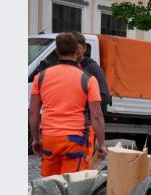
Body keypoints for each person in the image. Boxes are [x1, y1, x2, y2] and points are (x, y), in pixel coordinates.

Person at [29, 33, 107, 177]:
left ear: (57, 51)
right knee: (72, 185)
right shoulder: (88, 79)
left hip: (50, 138)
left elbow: (33, 112)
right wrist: (101, 143)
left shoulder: (40, 77)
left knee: (50, 185)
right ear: (77, 51)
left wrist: (36, 139)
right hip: (76, 139)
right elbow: (96, 116)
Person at [71, 32, 110, 165]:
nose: (75, 50)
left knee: (84, 166)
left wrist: (100, 139)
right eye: (72, 47)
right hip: (68, 126)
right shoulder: (64, 67)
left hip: (86, 126)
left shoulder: (92, 68)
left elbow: (104, 97)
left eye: (78, 47)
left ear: (84, 48)